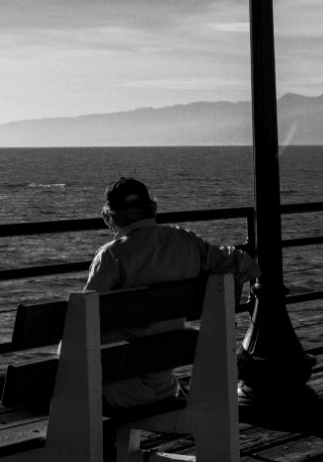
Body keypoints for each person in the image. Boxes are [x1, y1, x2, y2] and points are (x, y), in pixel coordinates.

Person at [86, 176, 260, 410]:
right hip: (165, 384)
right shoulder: (185, 241)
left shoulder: (110, 257)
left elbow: (82, 323)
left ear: (110, 215)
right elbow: (245, 264)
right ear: (151, 207)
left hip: (120, 391)